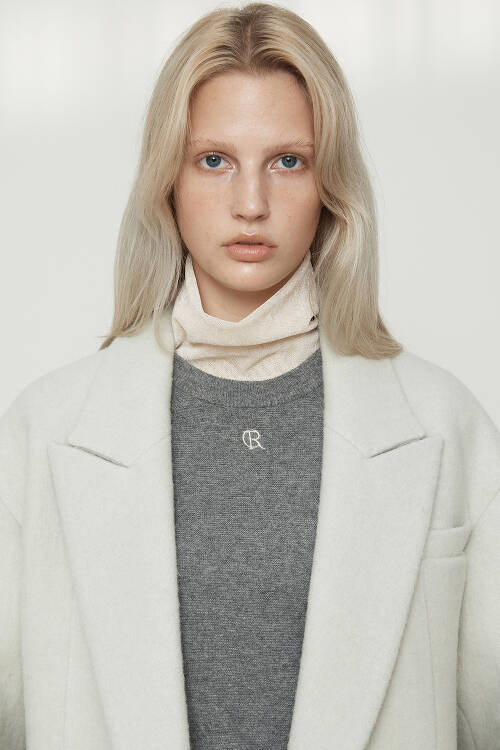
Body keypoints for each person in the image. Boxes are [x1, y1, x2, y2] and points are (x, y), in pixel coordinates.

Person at [1, 3, 499, 749]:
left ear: (330, 183)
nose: (251, 204)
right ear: (168, 179)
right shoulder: (44, 431)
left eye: (288, 161)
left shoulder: (445, 423)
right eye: (215, 160)